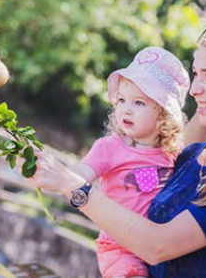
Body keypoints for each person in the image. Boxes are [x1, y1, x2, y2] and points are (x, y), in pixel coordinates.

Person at [27, 19, 206, 278]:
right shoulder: (190, 157)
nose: (194, 90)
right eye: (195, 74)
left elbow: (157, 246)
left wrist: (72, 185)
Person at [70, 46, 189, 278]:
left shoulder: (172, 155)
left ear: (164, 115)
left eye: (139, 103)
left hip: (154, 246)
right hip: (119, 248)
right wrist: (61, 176)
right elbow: (77, 176)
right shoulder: (109, 148)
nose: (126, 109)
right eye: (122, 100)